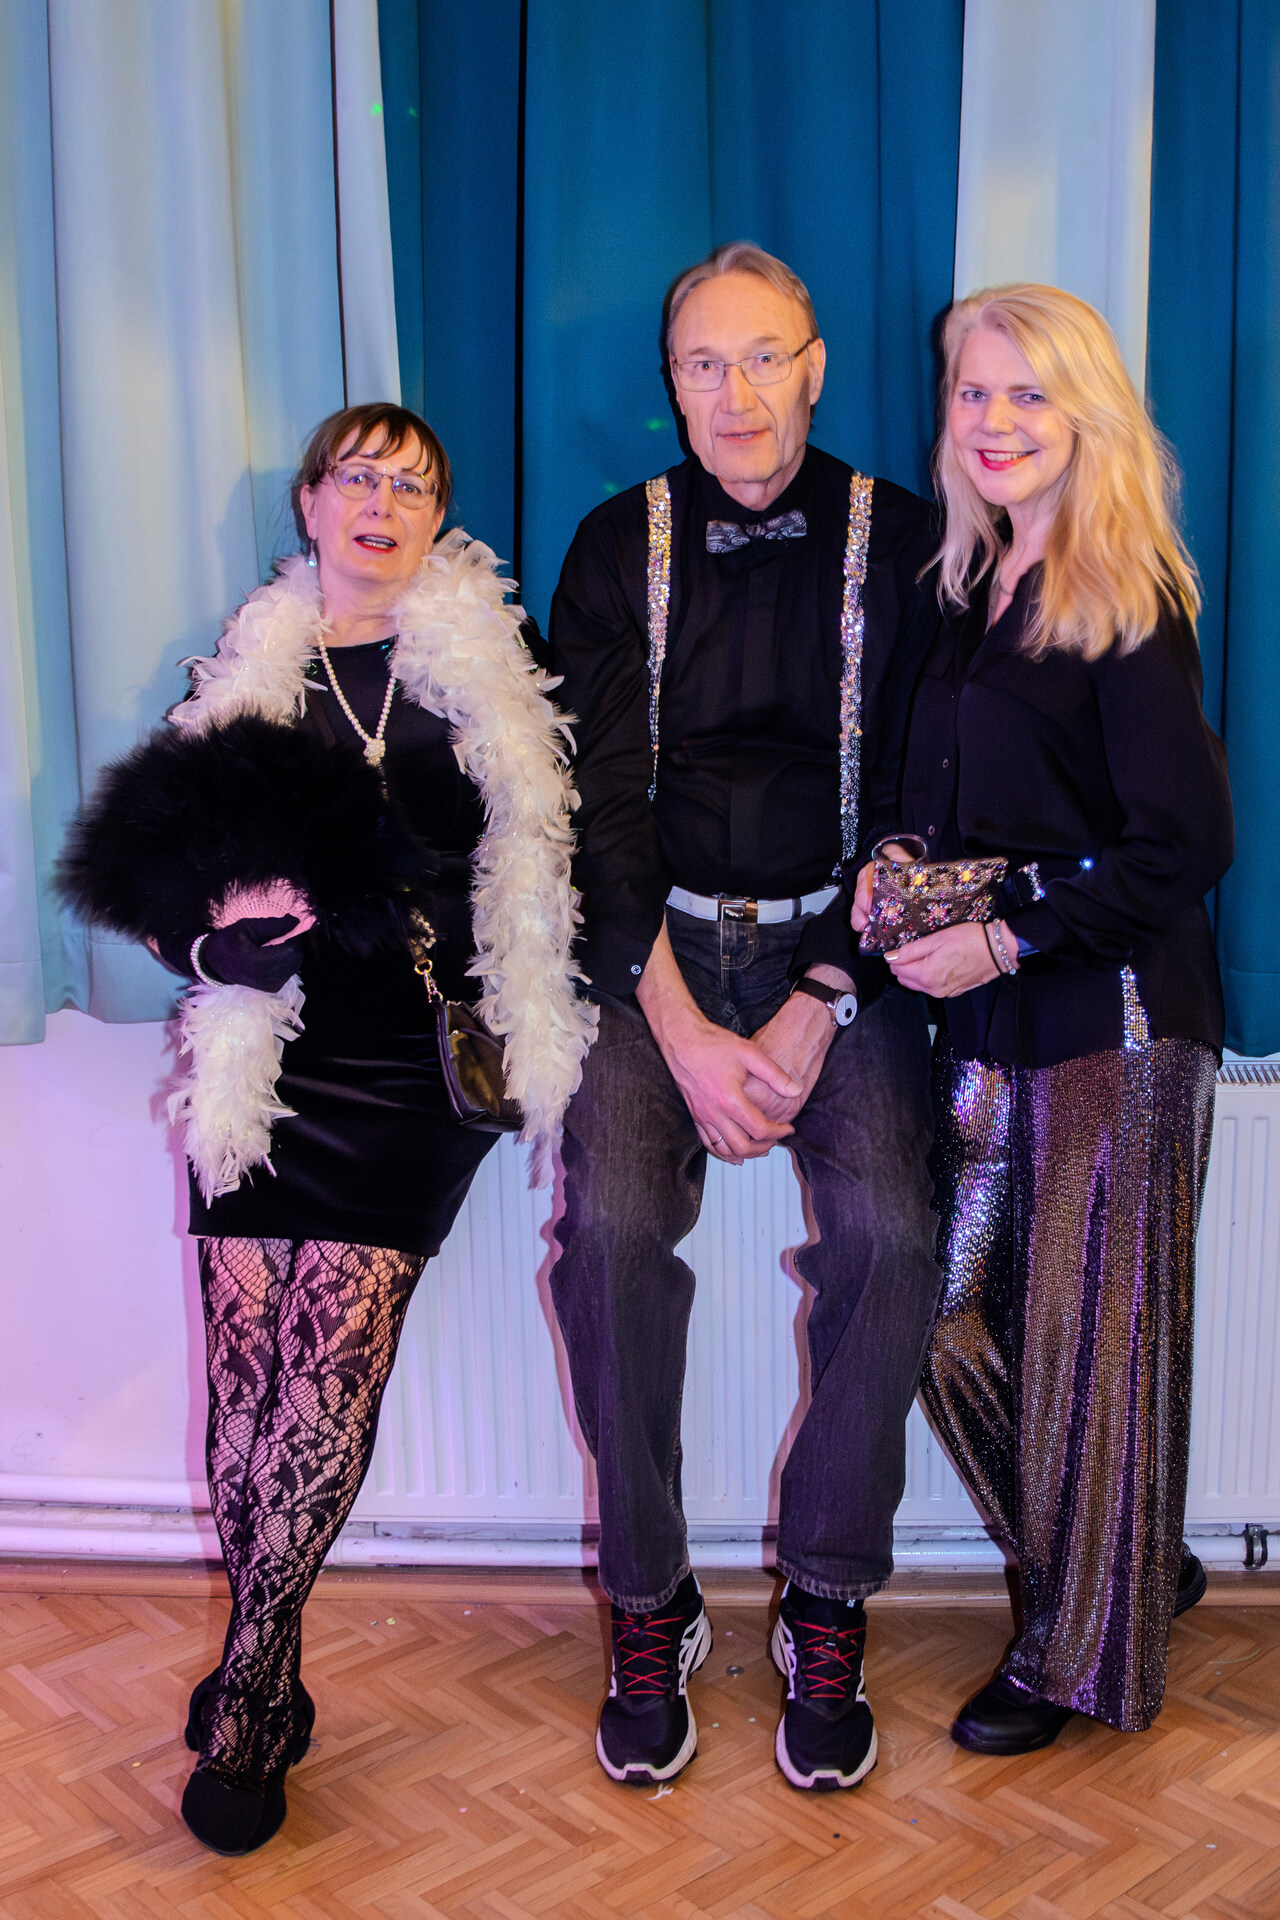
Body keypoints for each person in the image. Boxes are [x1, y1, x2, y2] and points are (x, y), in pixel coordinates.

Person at [59, 403, 595, 1852]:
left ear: (440, 518)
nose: (382, 503)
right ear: (310, 502)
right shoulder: (246, 673)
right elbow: (154, 871)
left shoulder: (495, 663)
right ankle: (274, 1662)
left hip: (411, 1071)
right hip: (271, 1060)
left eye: (413, 486)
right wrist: (205, 950)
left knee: (326, 1381)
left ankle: (244, 1699)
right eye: (358, 477)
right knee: (246, 1393)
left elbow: (552, 855)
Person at [548, 242, 944, 1793]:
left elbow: (923, 795)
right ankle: (650, 1601)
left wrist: (823, 994)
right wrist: (687, 1028)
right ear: (672, 381)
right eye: (703, 363)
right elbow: (595, 815)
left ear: (816, 366)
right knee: (609, 1230)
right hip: (654, 956)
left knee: (894, 1235)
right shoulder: (613, 544)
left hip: (842, 951)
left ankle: (826, 1595)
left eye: (763, 356)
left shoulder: (906, 542)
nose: (734, 393)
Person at [851, 284, 1233, 1752]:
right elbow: (944, 796)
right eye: (974, 392)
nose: (996, 421)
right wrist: (898, 862)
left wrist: (1007, 933)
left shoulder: (1124, 591)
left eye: (1029, 394)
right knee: (936, 1317)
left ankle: (1079, 1654)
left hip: (1114, 1023)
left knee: (1091, 1351)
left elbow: (1183, 844)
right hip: (989, 1027)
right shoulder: (966, 589)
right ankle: (1125, 1565)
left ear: (1087, 417)